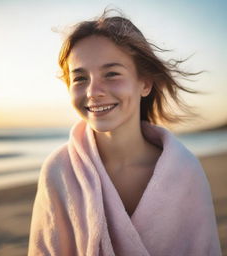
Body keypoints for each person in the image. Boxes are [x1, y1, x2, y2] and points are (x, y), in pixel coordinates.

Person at [28, 10, 222, 256]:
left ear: (145, 83)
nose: (93, 91)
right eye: (80, 78)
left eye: (111, 74)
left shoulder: (185, 171)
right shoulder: (59, 170)